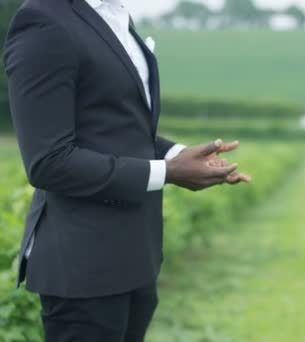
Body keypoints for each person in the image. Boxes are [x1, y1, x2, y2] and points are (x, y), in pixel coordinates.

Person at [3, 0, 251, 341]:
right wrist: (167, 172)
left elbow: (117, 127)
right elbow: (49, 161)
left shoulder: (115, 16)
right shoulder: (44, 22)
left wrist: (181, 156)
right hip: (83, 269)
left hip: (135, 256)